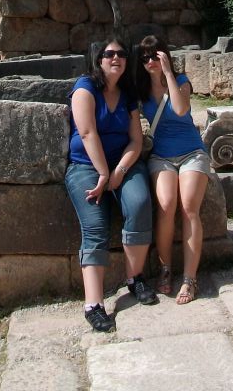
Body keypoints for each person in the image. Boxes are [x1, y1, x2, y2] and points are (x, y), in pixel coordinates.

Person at [65, 39, 157, 333]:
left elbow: (136, 140)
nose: (116, 58)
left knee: (140, 203)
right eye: (109, 54)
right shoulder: (85, 88)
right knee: (95, 224)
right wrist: (103, 173)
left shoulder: (127, 94)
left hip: (121, 165)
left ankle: (136, 278)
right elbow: (88, 132)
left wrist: (118, 171)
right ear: (98, 59)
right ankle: (93, 304)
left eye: (121, 54)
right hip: (86, 166)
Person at [134, 34, 212, 303]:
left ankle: (190, 279)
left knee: (189, 206)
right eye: (144, 58)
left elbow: (180, 109)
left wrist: (167, 72)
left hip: (191, 152)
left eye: (154, 56)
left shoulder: (180, 81)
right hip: (162, 156)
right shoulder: (141, 92)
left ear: (164, 55)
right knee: (166, 205)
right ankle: (166, 268)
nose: (149, 62)